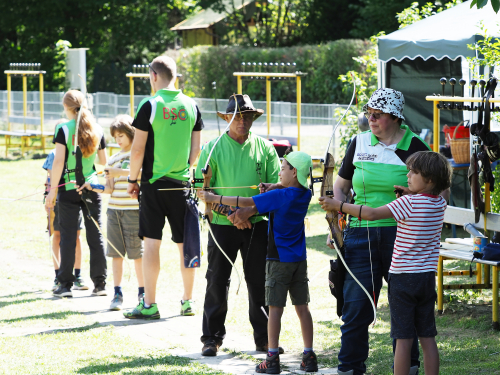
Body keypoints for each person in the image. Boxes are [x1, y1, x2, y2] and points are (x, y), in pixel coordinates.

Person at [319, 88, 439, 375]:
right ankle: (349, 369)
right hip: (360, 234)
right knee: (356, 308)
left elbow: (437, 191)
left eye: (378, 114)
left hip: (403, 237)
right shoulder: (358, 142)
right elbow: (341, 186)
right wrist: (337, 214)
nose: (370, 119)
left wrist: (410, 192)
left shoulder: (415, 146)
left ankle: (409, 368)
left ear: (395, 118)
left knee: (405, 312)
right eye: (368, 114)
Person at [199, 151, 316, 373]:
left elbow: (245, 201)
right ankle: (309, 355)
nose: (279, 171)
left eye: (283, 168)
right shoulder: (305, 194)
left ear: (294, 172)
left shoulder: (280, 196)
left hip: (278, 259)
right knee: (303, 308)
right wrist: (275, 186)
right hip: (299, 261)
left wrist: (214, 198)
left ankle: (271, 359)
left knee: (275, 309)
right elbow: (289, 189)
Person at [195, 94, 281, 357]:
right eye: (237, 116)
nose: (242, 121)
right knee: (217, 280)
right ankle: (211, 338)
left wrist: (248, 211)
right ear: (227, 118)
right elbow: (202, 190)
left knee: (259, 281)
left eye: (247, 116)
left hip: (256, 223)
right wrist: (232, 213)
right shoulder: (211, 148)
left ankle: (265, 339)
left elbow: (275, 190)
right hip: (222, 224)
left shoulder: (265, 148)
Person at [124, 55, 203, 320]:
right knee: (185, 245)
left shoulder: (150, 104)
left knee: (152, 246)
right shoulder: (192, 105)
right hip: (181, 187)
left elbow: (137, 150)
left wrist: (132, 181)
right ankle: (188, 301)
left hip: (154, 187)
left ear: (154, 76)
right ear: (175, 76)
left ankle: (150, 304)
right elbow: (196, 154)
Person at [45, 90, 108, 298]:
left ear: (66, 107)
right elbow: (103, 163)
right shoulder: (97, 128)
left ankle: (65, 285)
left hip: (68, 188)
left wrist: (51, 192)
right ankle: (100, 284)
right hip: (91, 188)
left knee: (68, 236)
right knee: (95, 235)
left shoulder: (63, 128)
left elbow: (59, 162)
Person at [78, 114, 144, 310]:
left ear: (132, 133)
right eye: (115, 137)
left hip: (134, 212)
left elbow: (144, 176)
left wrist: (119, 173)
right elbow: (108, 189)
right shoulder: (113, 159)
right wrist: (91, 186)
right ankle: (117, 293)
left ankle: (142, 293)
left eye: (121, 135)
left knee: (137, 255)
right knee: (116, 255)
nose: (118, 140)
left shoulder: (140, 154)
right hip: (114, 212)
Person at [43, 148, 86, 291]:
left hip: (75, 198)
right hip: (57, 200)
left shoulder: (77, 151)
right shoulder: (53, 154)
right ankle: (58, 276)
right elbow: (49, 178)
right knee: (57, 235)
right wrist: (48, 199)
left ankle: (78, 275)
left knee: (76, 236)